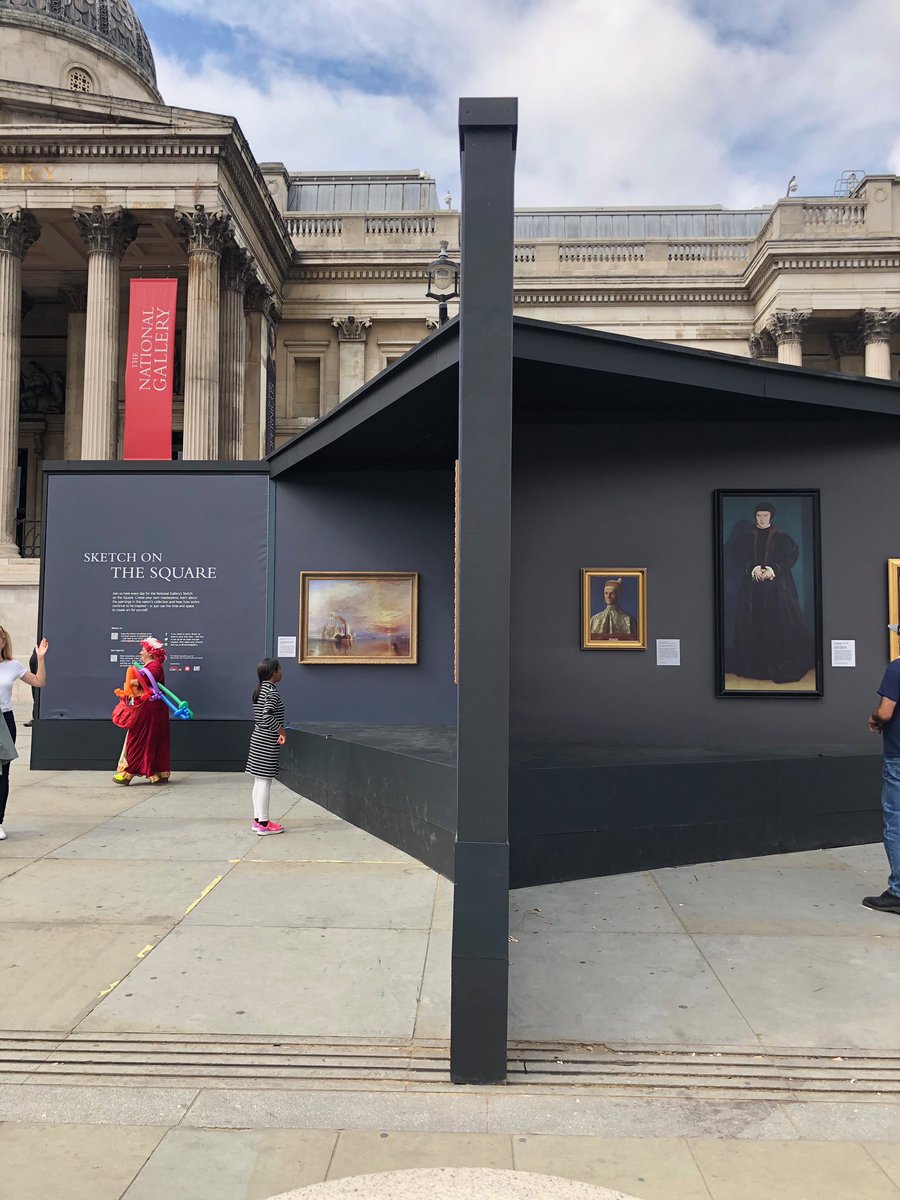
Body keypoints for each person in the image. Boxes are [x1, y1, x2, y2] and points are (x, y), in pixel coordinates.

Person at [725, 501, 814, 683]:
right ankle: (755, 666)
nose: (762, 519)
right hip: (752, 590)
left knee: (777, 622)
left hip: (776, 590)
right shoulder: (745, 539)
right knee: (753, 623)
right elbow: (736, 556)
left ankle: (775, 663)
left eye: (765, 515)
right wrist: (752, 568)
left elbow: (790, 556)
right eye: (759, 515)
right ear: (755, 517)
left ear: (771, 517)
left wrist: (774, 569)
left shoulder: (782, 539)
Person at [0, 628, 48, 839]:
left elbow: (39, 682)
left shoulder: (13, 666)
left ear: (3, 642)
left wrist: (40, 658)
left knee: (2, 773)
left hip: (4, 721)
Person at [864, 658, 900, 913]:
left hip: (898, 757)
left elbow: (886, 712)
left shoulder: (897, 668)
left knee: (896, 822)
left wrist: (874, 718)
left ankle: (898, 892)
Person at [113, 636, 171, 786]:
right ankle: (157, 772)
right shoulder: (152, 666)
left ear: (150, 652)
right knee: (151, 738)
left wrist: (131, 681)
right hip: (152, 707)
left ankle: (129, 772)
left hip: (148, 708)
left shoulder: (154, 666)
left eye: (143, 650)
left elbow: (146, 681)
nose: (140, 653)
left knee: (138, 738)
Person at [245, 657, 286, 835]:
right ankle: (264, 823)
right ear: (273, 673)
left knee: (258, 780)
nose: (282, 672)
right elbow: (267, 716)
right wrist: (282, 731)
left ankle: (257, 821)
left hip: (257, 737)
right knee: (264, 782)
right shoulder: (272, 692)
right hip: (267, 741)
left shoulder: (259, 689)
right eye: (280, 669)